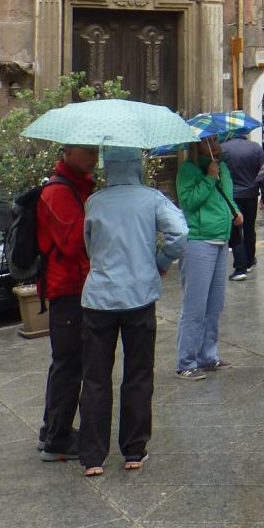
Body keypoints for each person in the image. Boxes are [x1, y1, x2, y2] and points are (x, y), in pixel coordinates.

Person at [78, 145, 188, 477]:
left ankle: (93, 457)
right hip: (139, 296)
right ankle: (134, 451)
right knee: (138, 375)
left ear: (108, 167)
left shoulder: (94, 202)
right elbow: (180, 233)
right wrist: (161, 260)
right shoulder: (152, 198)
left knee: (95, 378)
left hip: (98, 299)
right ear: (137, 166)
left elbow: (89, 244)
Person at [36, 143, 98, 463]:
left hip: (76, 285)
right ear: (67, 152)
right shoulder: (59, 193)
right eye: (87, 150)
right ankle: (57, 439)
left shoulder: (79, 188)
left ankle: (52, 429)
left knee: (67, 362)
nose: (95, 156)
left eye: (96, 150)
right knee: (69, 364)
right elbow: (76, 243)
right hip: (67, 289)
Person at [175, 138, 243, 377]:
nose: (213, 145)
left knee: (215, 304)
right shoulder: (188, 170)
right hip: (198, 241)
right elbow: (189, 202)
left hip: (221, 240)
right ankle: (186, 362)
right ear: (196, 146)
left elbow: (227, 198)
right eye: (207, 142)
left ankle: (208, 356)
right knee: (195, 306)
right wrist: (208, 178)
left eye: (215, 140)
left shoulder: (222, 167)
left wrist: (236, 212)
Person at [220, 133, 264, 281]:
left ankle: (240, 267)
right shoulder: (256, 148)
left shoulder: (223, 148)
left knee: (235, 231)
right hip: (251, 194)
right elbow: (263, 172)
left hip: (232, 195)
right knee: (249, 228)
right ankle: (249, 261)